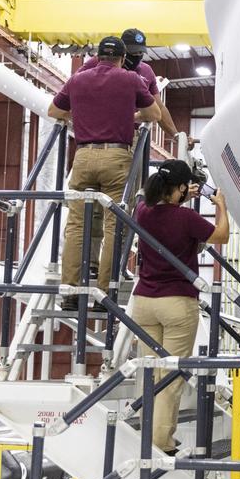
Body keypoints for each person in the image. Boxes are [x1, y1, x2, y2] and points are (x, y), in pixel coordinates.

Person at [48, 36, 161, 307]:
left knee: (76, 225)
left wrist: (84, 117)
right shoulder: (130, 79)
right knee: (115, 225)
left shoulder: (78, 79)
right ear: (122, 59)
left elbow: (54, 110)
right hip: (116, 158)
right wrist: (128, 117)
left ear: (98, 57)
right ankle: (104, 293)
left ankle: (70, 292)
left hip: (83, 157)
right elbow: (154, 114)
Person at [129, 159, 230, 454]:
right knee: (171, 375)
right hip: (176, 302)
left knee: (149, 371)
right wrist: (221, 205)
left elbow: (143, 196)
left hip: (144, 301)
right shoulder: (185, 218)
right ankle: (161, 441)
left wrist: (182, 191)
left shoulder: (142, 211)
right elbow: (220, 235)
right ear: (182, 188)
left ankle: (144, 431)